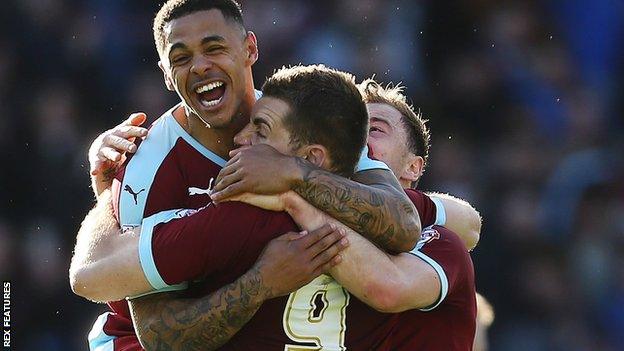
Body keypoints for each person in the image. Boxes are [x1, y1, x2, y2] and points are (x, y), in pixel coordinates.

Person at [71, 1, 425, 349]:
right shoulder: (147, 171)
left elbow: (404, 224)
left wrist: (293, 173)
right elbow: (158, 337)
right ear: (166, 74)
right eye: (181, 58)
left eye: (214, 48)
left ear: (250, 49)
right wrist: (261, 283)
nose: (199, 66)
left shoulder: (302, 116)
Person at [215, 79, 478, 350]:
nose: (358, 142)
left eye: (374, 129)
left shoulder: (439, 242)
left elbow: (387, 288)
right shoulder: (285, 229)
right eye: (350, 127)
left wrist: (291, 196)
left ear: (413, 167)